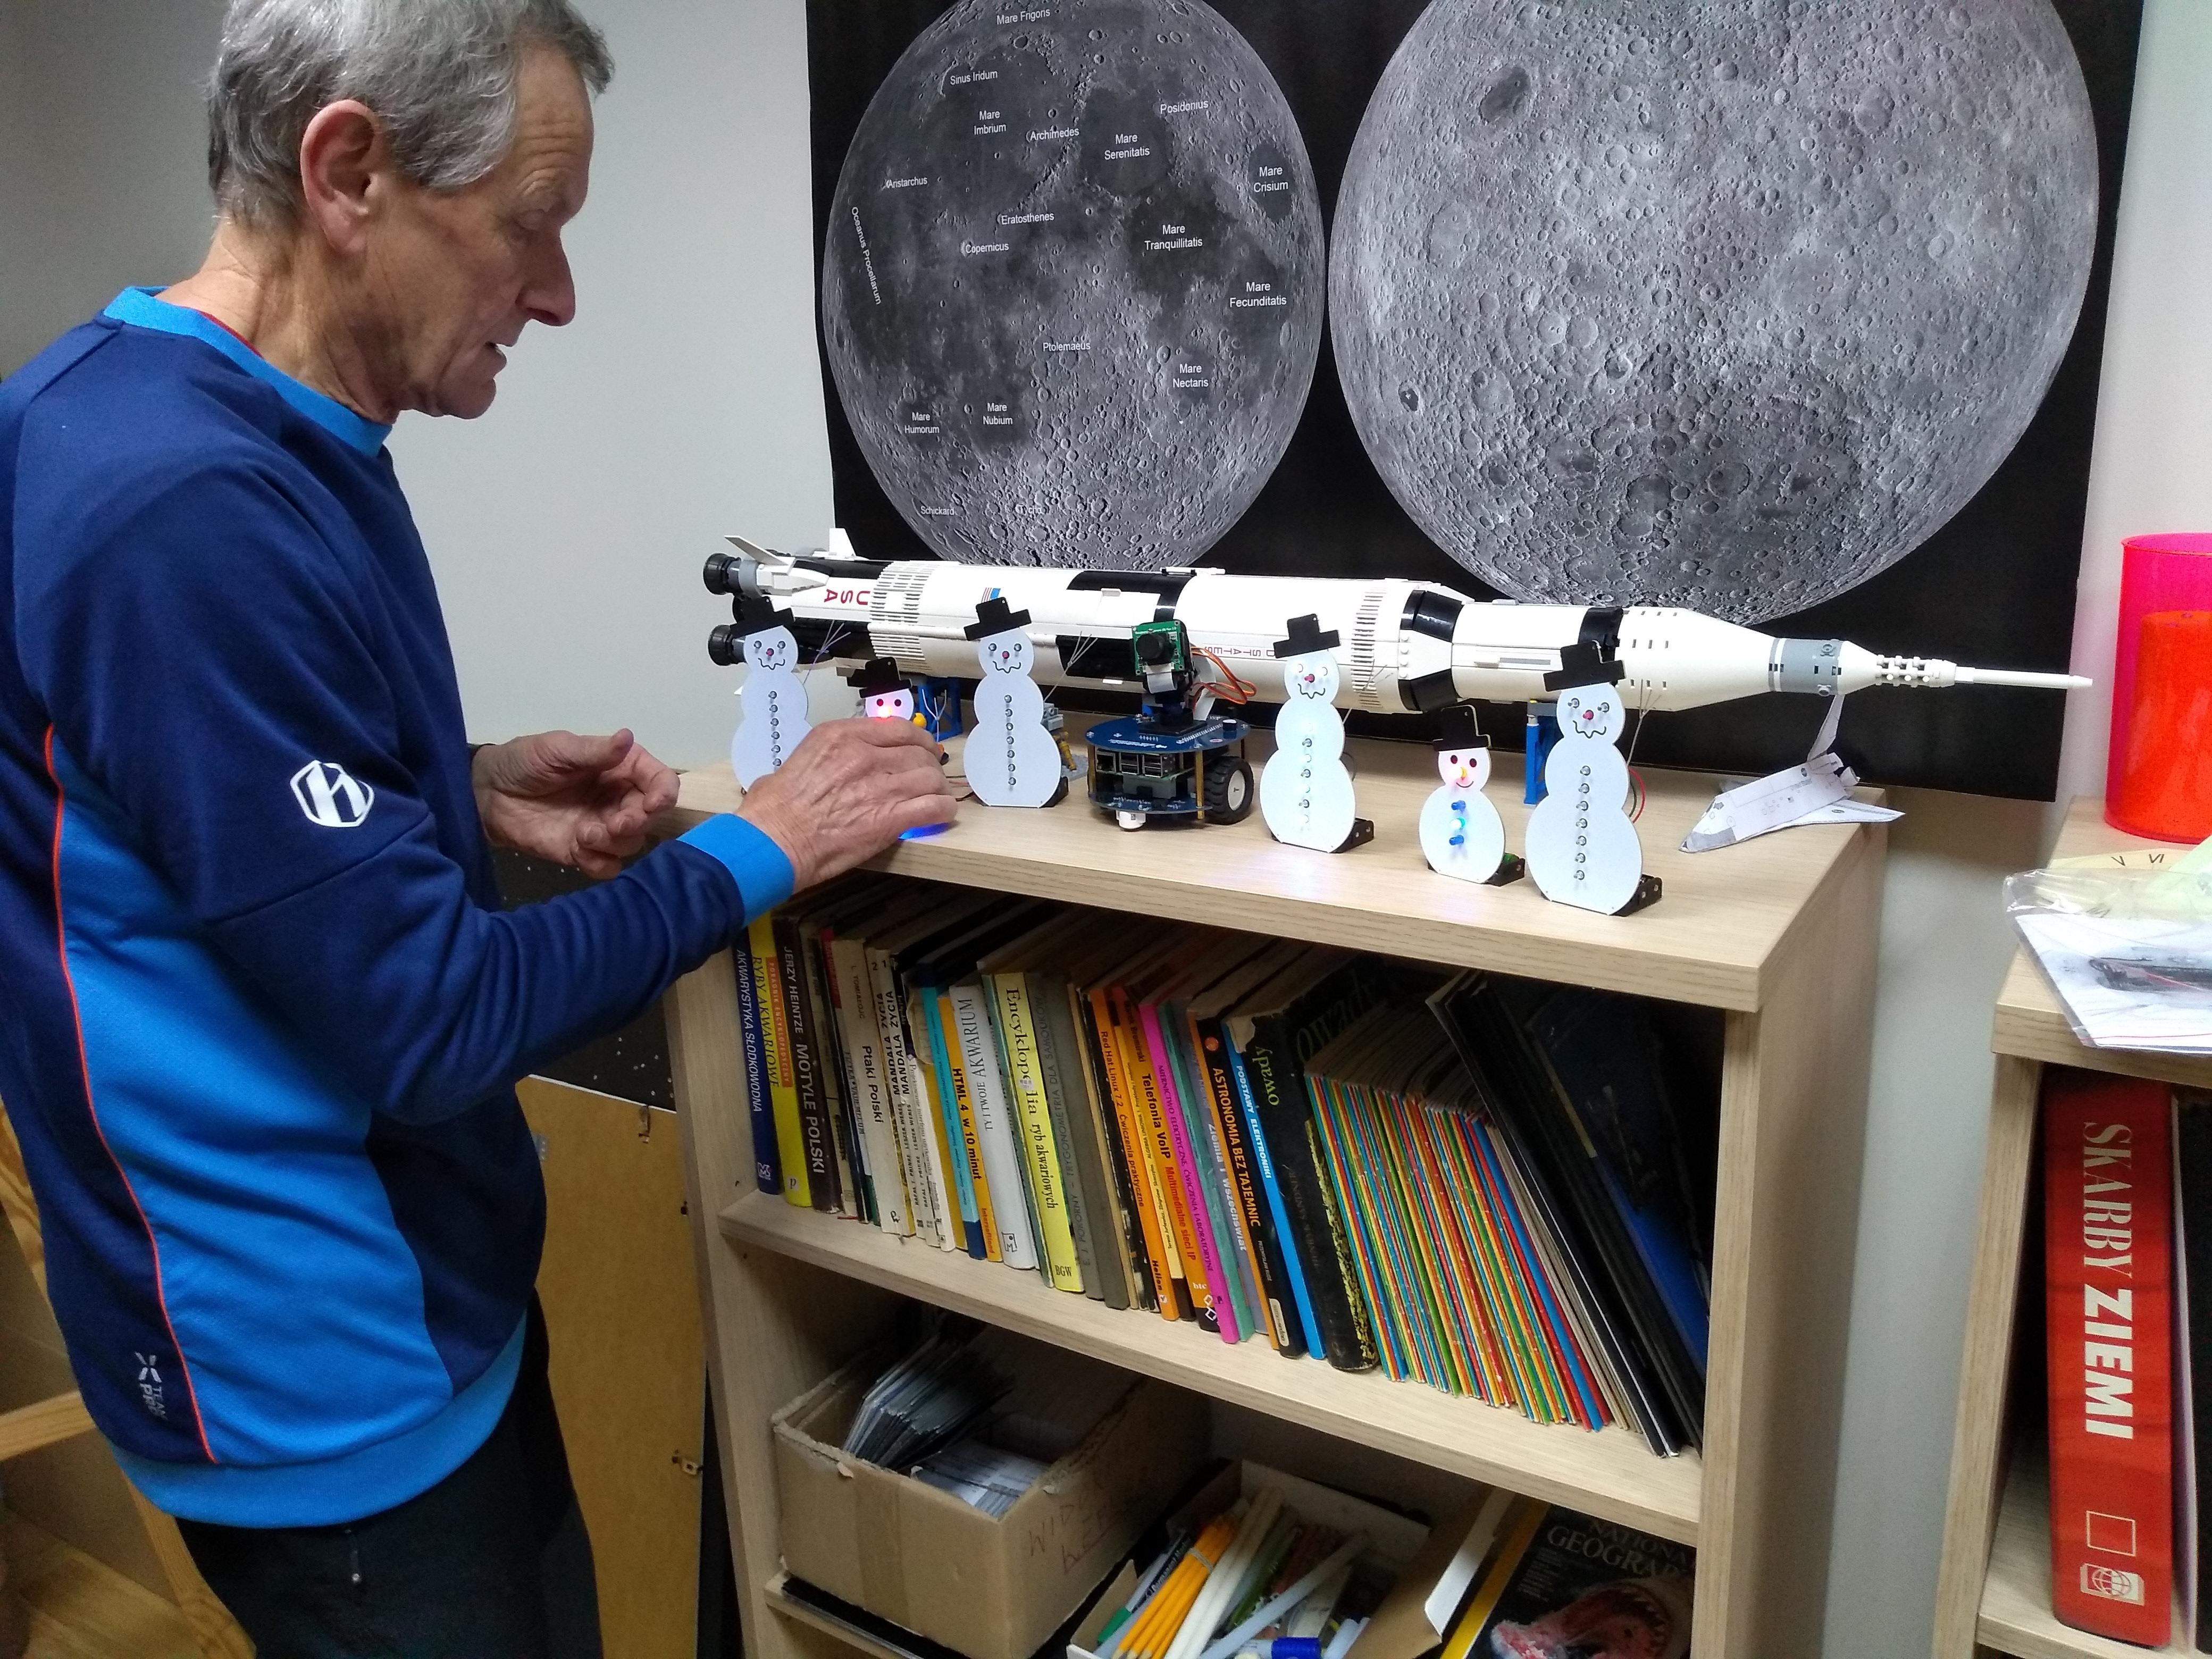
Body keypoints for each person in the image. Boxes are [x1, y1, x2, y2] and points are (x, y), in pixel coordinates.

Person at [0, 2, 955, 1652]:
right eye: (530, 225)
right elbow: (430, 1021)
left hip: (426, 1321)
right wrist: (761, 846)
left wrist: (456, 779)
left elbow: (162, 788)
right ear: (347, 171)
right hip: (325, 1393)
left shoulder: (158, 410)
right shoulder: (178, 505)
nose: (557, 293)